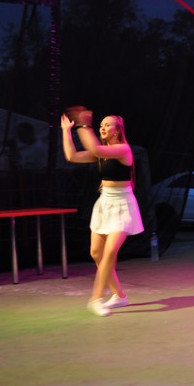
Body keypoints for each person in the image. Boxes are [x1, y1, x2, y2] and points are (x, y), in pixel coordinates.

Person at [61, 108, 143, 317]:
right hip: (104, 203)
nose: (102, 128)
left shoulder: (123, 150)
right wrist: (66, 131)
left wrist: (84, 125)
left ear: (117, 130)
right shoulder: (100, 153)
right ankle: (120, 296)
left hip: (123, 205)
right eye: (100, 125)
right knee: (96, 253)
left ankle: (95, 299)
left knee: (109, 252)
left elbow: (95, 148)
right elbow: (71, 156)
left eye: (107, 125)